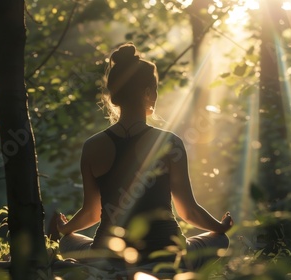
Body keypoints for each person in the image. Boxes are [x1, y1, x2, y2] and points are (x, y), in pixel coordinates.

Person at [56, 42, 233, 271]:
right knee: (220, 240)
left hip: (110, 256)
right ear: (148, 93)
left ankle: (116, 271)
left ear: (114, 95)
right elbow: (188, 211)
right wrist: (219, 227)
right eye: (155, 90)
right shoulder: (169, 143)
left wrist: (64, 228)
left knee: (68, 242)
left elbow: (91, 212)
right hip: (166, 254)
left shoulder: (92, 146)